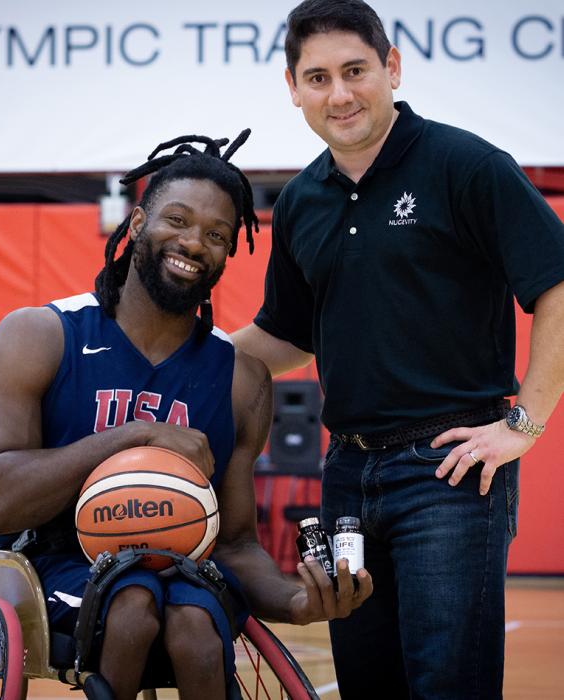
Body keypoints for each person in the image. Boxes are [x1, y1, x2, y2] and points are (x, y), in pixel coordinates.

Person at [0, 130, 372, 700]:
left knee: (196, 628)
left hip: (183, 574)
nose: (194, 242)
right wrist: (135, 437)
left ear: (229, 253)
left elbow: (235, 545)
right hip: (55, 567)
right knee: (133, 606)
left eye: (217, 234)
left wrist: (298, 602)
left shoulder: (240, 380)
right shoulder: (42, 336)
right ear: (136, 224)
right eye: (176, 219)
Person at [231, 1, 564, 698]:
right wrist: (172, 360)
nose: (340, 93)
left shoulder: (466, 165)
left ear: (392, 68)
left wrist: (524, 425)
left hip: (449, 474)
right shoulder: (300, 203)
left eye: (355, 71)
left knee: (449, 687)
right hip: (347, 474)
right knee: (368, 685)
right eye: (317, 78)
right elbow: (287, 337)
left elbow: (556, 287)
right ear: (292, 88)